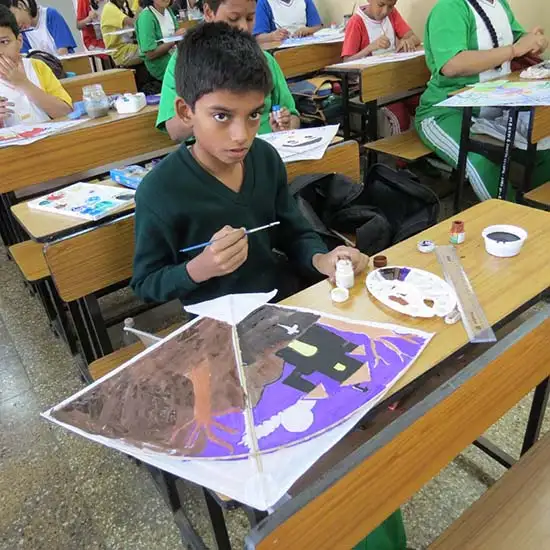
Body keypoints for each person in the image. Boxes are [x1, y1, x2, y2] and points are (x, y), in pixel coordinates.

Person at [131, 22, 367, 308]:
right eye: (221, 116)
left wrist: (322, 259)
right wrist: (197, 269)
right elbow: (146, 284)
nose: (241, 136)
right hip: (216, 325)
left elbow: (294, 232)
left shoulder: (265, 158)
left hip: (281, 302)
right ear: (185, 112)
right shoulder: (160, 190)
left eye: (254, 114)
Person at [416, 0, 550, 200]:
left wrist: (534, 41)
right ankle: (516, 223)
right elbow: (452, 65)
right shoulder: (450, 7)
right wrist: (514, 50)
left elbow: (516, 37)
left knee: (543, 151)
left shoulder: (499, 4)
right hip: (445, 110)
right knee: (480, 162)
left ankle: (537, 213)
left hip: (494, 109)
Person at [156, 0, 300, 142]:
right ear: (208, 12)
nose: (244, 27)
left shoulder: (264, 60)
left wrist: (285, 127)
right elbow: (175, 132)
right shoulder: (186, 60)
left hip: (268, 147)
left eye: (250, 18)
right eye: (233, 19)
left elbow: (292, 115)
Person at [342, 0, 421, 136]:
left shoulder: (392, 14)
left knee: (421, 102)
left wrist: (407, 41)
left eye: (391, 6)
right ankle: (399, 155)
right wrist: (370, 48)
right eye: (381, 5)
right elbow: (346, 63)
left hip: (394, 80)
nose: (385, 11)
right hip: (371, 87)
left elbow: (415, 38)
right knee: (399, 117)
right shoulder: (357, 22)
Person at [0, 5, 71, 127]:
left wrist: (23, 83)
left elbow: (65, 112)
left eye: (4, 42)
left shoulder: (38, 67)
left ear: (19, 41)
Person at [0, 0, 76, 55]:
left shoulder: (50, 15)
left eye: (13, 16)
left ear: (20, 5)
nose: (14, 24)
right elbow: (27, 58)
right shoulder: (21, 33)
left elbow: (63, 51)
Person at [135, 0, 182, 82]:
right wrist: (174, 39)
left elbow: (177, 35)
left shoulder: (168, 10)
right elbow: (150, 54)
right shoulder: (146, 16)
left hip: (176, 58)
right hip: (161, 66)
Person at [253, 0, 322, 43]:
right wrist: (272, 36)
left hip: (305, 45)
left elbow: (318, 27)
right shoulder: (264, 3)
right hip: (280, 51)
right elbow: (258, 38)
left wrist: (308, 30)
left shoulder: (305, 1)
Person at [100, 0, 140, 67]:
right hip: (121, 53)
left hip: (130, 47)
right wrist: (140, 5)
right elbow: (134, 23)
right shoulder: (109, 8)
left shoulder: (123, 6)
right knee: (153, 51)